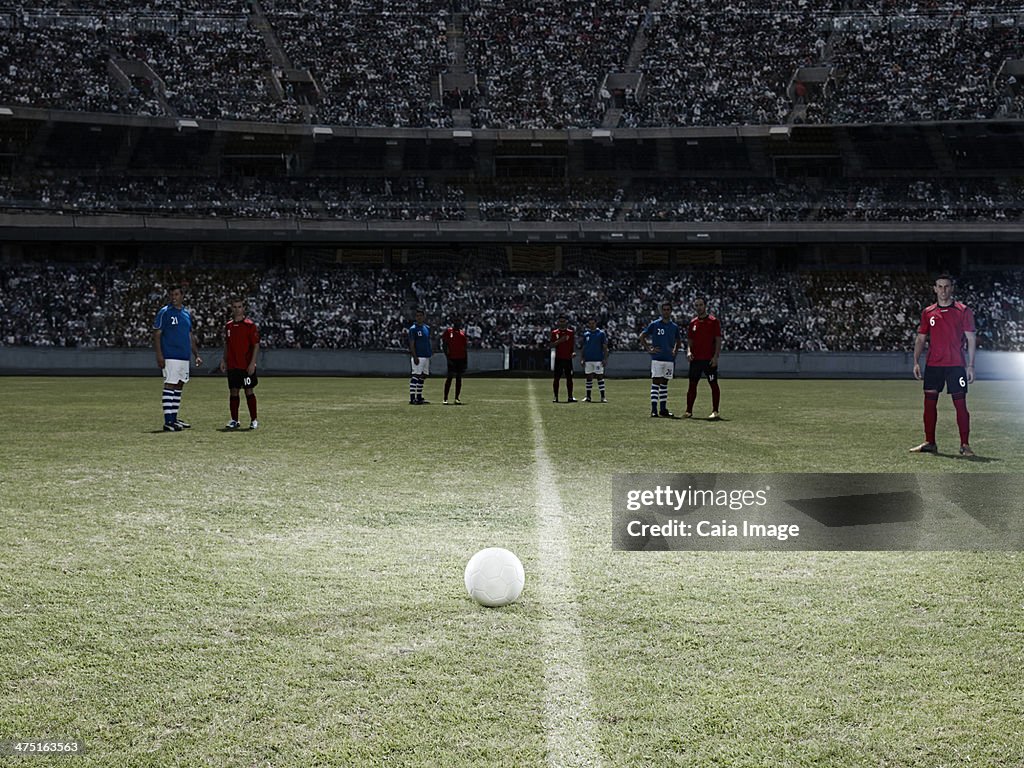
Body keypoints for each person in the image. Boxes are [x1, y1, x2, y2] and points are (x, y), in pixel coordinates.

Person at [910, 274, 977, 456]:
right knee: (929, 404)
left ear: (952, 288)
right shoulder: (928, 312)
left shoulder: (963, 311)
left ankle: (965, 445)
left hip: (956, 365)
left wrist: (970, 365)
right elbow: (921, 338)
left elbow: (971, 338)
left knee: (960, 405)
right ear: (935, 289)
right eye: (939, 286)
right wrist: (916, 361)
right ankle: (930, 442)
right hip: (934, 365)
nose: (943, 290)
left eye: (946, 286)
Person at [152, 285, 201, 432]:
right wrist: (159, 354)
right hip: (171, 355)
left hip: (183, 356)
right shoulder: (165, 312)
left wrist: (196, 354)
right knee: (170, 384)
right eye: (172, 294)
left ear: (182, 296)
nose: (174, 297)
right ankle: (168, 421)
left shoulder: (186, 313)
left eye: (177, 294)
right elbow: (157, 334)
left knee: (179, 384)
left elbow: (189, 335)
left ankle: (174, 418)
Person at [219, 297, 261, 430]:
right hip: (232, 365)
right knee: (233, 392)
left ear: (243, 308)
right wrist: (224, 360)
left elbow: (256, 345)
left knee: (249, 391)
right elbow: (227, 344)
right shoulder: (228, 326)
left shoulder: (250, 325)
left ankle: (253, 419)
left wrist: (252, 363)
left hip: (245, 365)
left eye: (239, 307)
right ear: (232, 309)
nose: (237, 310)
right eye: (235, 307)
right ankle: (234, 420)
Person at [639, 302, 683, 418]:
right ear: (661, 311)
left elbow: (678, 341)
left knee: (664, 383)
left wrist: (675, 351)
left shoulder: (674, 327)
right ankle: (654, 410)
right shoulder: (655, 324)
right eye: (664, 309)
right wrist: (649, 349)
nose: (666, 311)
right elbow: (642, 336)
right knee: (656, 383)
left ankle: (663, 409)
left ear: (671, 311)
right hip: (657, 358)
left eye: (668, 309)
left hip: (669, 359)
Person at [684, 296, 723, 419]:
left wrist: (716, 357)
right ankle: (688, 411)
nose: (699, 307)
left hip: (709, 359)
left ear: (705, 306)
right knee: (692, 385)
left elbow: (718, 340)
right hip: (695, 360)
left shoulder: (713, 321)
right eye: (696, 305)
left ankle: (715, 411)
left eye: (701, 305)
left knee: (713, 384)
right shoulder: (693, 323)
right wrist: (689, 352)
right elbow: (690, 341)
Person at [579, 317, 609, 402]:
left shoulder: (601, 333)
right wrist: (582, 358)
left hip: (598, 359)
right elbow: (584, 347)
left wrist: (605, 358)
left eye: (593, 323)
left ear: (596, 324)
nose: (591, 325)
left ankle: (603, 397)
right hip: (588, 359)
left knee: (600, 377)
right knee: (589, 378)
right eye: (590, 323)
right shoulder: (586, 334)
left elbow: (605, 347)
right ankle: (588, 397)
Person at [441, 318, 468, 405]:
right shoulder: (448, 332)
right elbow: (444, 345)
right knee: (449, 378)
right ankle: (445, 398)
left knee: (459, 378)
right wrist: (447, 357)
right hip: (452, 358)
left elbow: (464, 348)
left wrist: (465, 360)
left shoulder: (462, 333)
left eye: (459, 321)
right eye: (456, 321)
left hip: (461, 358)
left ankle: (457, 398)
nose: (458, 323)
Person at [550, 314, 576, 403]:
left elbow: (572, 345)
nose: (562, 323)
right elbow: (552, 345)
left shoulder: (571, 332)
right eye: (560, 321)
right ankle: (555, 397)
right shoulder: (555, 332)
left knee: (569, 378)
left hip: (568, 359)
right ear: (558, 322)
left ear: (566, 322)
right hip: (559, 358)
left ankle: (570, 397)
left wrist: (573, 352)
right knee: (556, 378)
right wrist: (560, 341)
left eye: (563, 321)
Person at [408, 308, 432, 405]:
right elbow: (412, 343)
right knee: (416, 375)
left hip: (426, 355)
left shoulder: (427, 328)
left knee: (423, 375)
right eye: (417, 316)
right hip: (419, 355)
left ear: (424, 317)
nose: (419, 318)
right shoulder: (413, 329)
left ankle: (419, 397)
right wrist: (415, 356)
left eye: (421, 316)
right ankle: (412, 398)